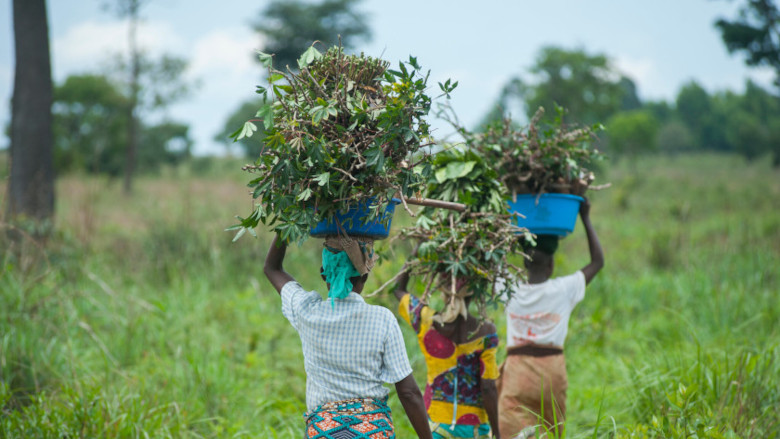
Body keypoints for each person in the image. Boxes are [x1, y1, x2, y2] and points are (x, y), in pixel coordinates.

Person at [263, 233, 433, 439]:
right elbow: (408, 393)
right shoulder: (382, 319)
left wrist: (286, 226)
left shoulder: (307, 312)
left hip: (324, 432)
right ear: (365, 276)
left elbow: (272, 269)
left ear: (323, 274)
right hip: (373, 433)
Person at [497, 198, 604, 438]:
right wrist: (585, 217)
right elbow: (598, 262)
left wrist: (503, 225)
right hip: (551, 374)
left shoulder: (509, 289)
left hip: (518, 372)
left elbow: (489, 259)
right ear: (551, 264)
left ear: (524, 262)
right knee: (551, 431)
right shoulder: (564, 289)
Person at [392, 261, 502, 439]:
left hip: (436, 424)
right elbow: (488, 387)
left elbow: (398, 289)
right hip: (473, 428)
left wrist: (415, 255)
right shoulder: (486, 332)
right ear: (475, 292)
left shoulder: (426, 321)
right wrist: (497, 432)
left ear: (443, 290)